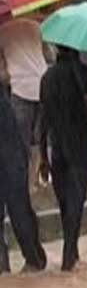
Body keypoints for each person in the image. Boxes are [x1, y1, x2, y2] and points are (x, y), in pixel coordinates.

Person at [36, 45, 87, 272]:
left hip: (57, 152)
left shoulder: (46, 78)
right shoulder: (82, 72)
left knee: (66, 206)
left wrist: (43, 158)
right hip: (80, 150)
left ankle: (72, 256)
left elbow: (42, 124)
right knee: (76, 205)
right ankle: (68, 259)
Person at [0, 49, 48, 274]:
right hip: (13, 158)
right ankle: (32, 260)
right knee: (20, 208)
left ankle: (32, 260)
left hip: (10, 159)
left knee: (19, 209)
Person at [0, 16, 50, 194]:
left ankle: (23, 185)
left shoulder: (2, 32)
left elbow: (3, 73)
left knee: (20, 141)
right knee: (40, 138)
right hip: (43, 88)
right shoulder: (36, 27)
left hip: (21, 90)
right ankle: (36, 181)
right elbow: (49, 56)